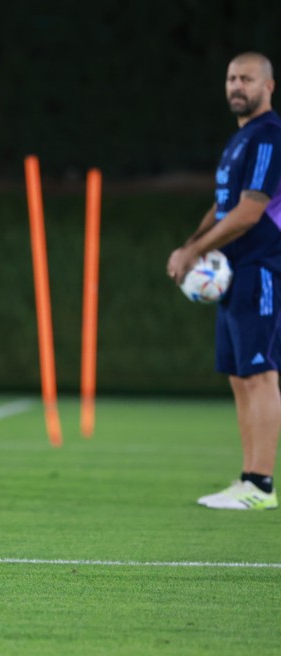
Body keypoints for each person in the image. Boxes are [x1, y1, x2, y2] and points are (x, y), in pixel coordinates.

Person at [167, 52, 281, 510]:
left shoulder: (269, 135)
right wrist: (190, 246)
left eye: (247, 79)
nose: (237, 85)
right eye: (232, 78)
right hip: (234, 272)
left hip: (262, 266)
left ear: (268, 86)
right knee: (239, 377)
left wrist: (194, 252)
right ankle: (247, 477)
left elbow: (250, 211)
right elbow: (223, 207)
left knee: (260, 374)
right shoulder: (239, 140)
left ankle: (262, 485)